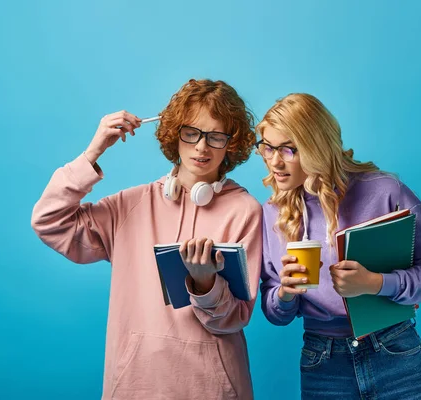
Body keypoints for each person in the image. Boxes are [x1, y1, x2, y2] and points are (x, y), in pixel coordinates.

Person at [31, 79, 262, 399]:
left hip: (213, 390)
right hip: (135, 385)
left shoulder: (244, 211)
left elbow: (235, 318)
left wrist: (206, 285)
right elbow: (48, 222)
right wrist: (92, 153)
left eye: (216, 136)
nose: (201, 147)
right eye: (191, 132)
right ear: (174, 133)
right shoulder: (130, 205)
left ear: (231, 143)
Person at [257, 93, 421, 399]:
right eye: (267, 147)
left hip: (395, 349)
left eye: (288, 149)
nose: (274, 161)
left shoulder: (385, 192)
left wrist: (375, 283)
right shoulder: (273, 213)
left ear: (316, 146)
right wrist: (284, 293)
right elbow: (276, 314)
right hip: (322, 362)